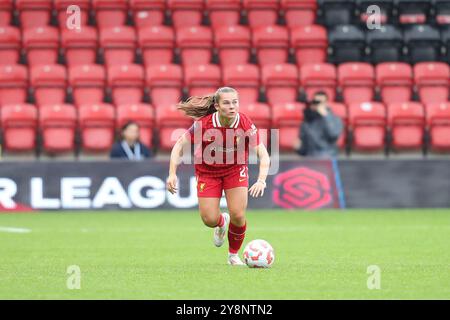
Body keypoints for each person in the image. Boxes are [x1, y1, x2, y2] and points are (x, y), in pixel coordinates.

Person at [166, 87, 271, 266]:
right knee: (209, 220)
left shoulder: (244, 122)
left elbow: (263, 154)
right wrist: (172, 174)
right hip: (208, 172)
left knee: (238, 214)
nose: (232, 107)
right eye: (227, 103)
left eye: (235, 102)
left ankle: (233, 255)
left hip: (235, 169)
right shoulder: (204, 124)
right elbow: (179, 145)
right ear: (217, 106)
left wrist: (261, 180)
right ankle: (222, 222)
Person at [294, 91, 343, 157]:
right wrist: (298, 148)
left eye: (321, 103)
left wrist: (325, 116)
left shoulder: (335, 119)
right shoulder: (307, 121)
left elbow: (333, 135)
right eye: (316, 102)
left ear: (326, 104)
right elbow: (304, 150)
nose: (318, 105)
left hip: (328, 155)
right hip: (310, 157)